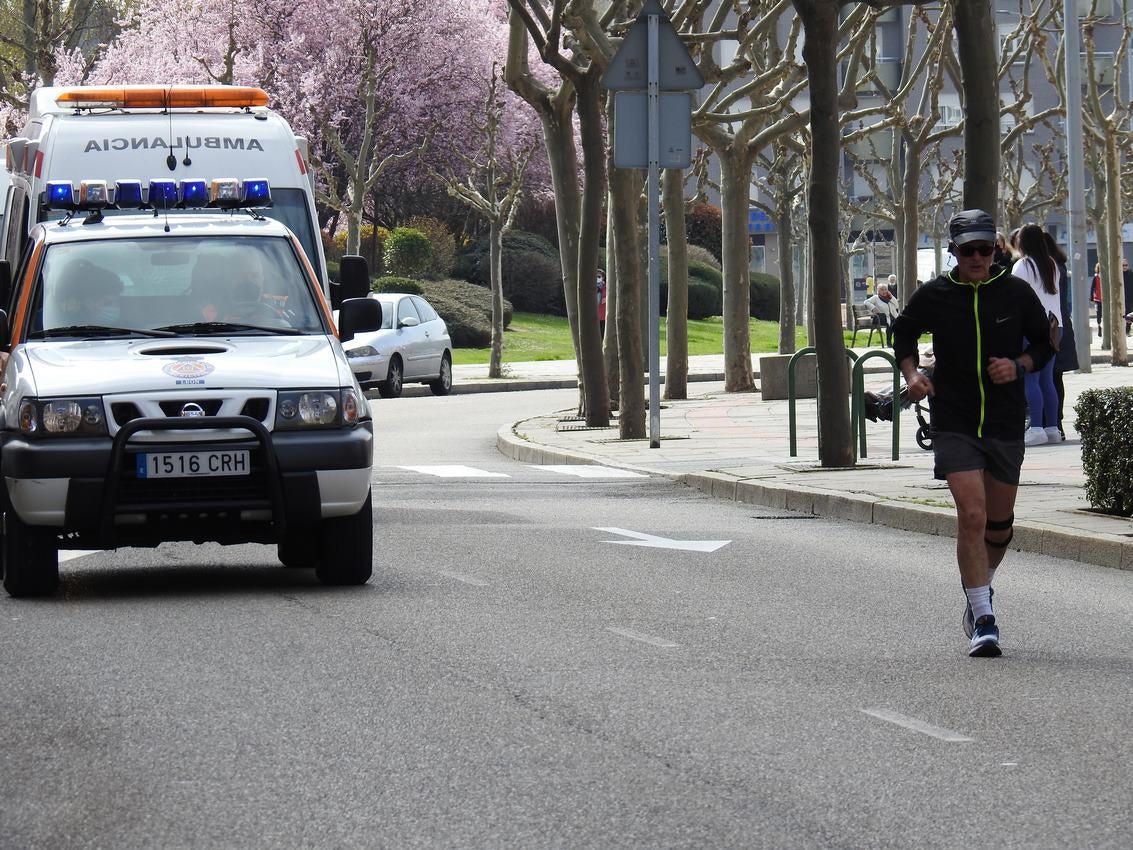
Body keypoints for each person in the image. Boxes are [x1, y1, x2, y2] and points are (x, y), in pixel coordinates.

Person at [891, 209, 1053, 658]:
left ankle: (978, 586)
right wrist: (911, 375)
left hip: (1004, 420)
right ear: (954, 252)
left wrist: (1019, 365)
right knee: (973, 516)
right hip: (955, 419)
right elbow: (901, 333)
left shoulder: (1016, 293)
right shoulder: (937, 294)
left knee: (999, 528)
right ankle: (984, 618)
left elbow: (1045, 344)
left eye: (986, 249)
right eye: (970, 251)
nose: (979, 258)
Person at [1012, 224, 1062, 446]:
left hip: (1031, 326)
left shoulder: (1022, 266)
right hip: (1055, 326)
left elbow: (1014, 298)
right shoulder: (1052, 265)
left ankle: (1036, 428)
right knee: (1047, 379)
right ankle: (1052, 427)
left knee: (1030, 379)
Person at [1043, 233, 1077, 440]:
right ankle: (1056, 422)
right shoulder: (1060, 266)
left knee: (1050, 377)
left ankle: (1052, 421)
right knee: (1056, 377)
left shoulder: (1049, 268)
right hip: (1062, 324)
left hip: (1053, 326)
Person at [53, 259, 123, 327]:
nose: (116, 308)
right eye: (108, 303)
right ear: (87, 302)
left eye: (118, 301)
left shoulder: (127, 330)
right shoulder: (61, 331)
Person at [863, 281, 900, 346]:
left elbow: (897, 306)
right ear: (878, 291)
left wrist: (891, 297)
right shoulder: (876, 298)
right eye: (882, 290)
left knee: (899, 324)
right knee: (892, 323)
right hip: (881, 318)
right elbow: (866, 302)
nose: (884, 291)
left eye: (885, 289)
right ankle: (889, 343)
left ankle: (898, 342)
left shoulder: (890, 297)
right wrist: (873, 308)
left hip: (893, 316)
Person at [1090, 263, 1102, 338]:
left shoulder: (1106, 277)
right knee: (1098, 314)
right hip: (1097, 299)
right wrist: (1091, 297)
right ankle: (1099, 326)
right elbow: (1092, 288)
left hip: (1105, 299)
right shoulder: (1096, 277)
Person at [1123, 258, 1133, 335]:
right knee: (1123, 314)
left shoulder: (1131, 273)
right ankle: (1124, 330)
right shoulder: (1118, 275)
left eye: (1126, 265)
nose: (1124, 267)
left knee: (1129, 313)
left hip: (1130, 297)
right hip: (1122, 297)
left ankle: (1128, 330)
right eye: (1123, 265)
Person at [596, 268, 607, 336]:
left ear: (603, 277)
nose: (597, 278)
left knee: (602, 335)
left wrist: (606, 298)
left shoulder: (607, 287)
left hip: (603, 316)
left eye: (599, 276)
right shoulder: (591, 288)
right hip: (593, 316)